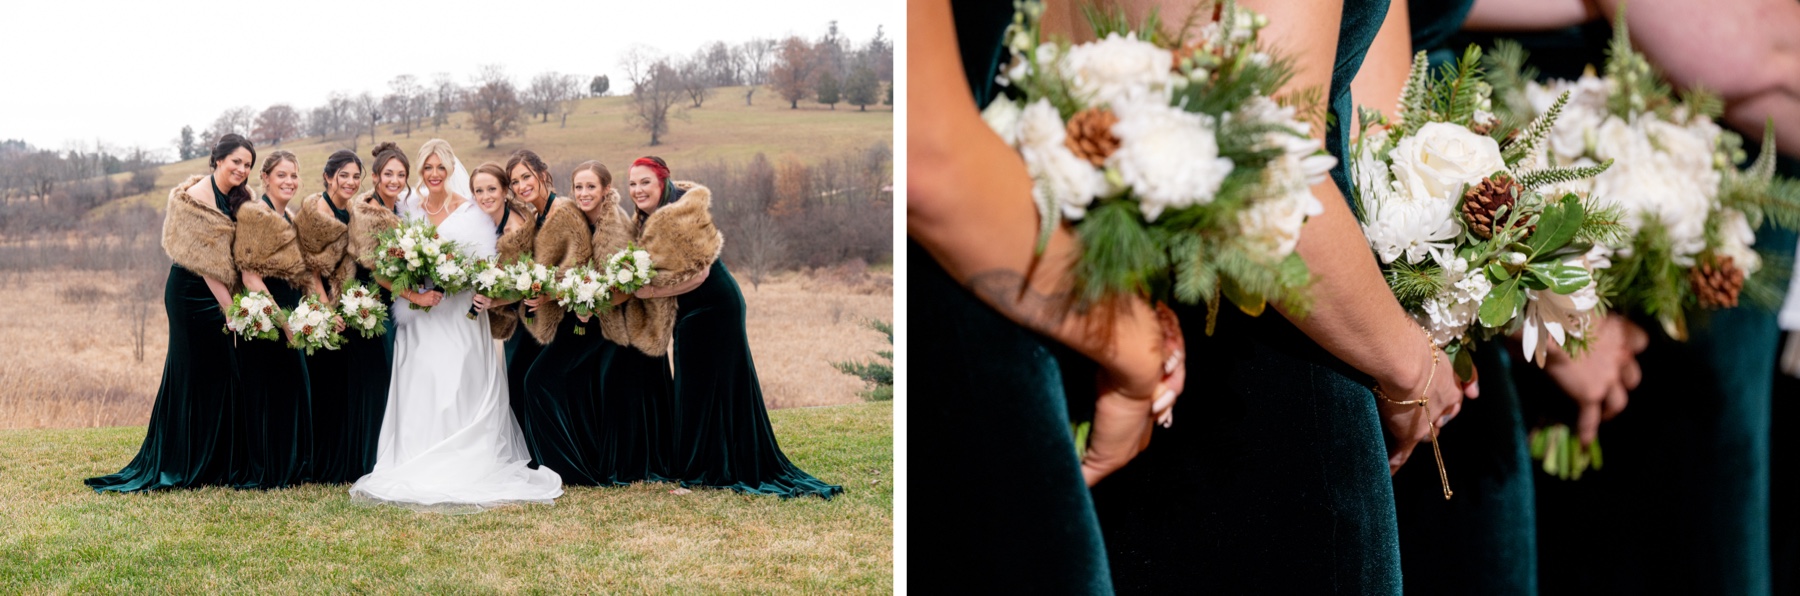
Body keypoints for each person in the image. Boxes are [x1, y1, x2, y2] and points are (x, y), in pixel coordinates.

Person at [348, 139, 562, 511]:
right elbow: (390, 255)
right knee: (423, 379)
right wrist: (416, 287)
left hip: (460, 315)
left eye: (440, 168)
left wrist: (456, 279)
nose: (434, 174)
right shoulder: (408, 209)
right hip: (420, 317)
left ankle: (468, 455)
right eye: (427, 168)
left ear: (450, 170)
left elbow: (484, 266)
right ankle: (416, 453)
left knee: (458, 379)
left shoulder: (469, 211)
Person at [622, 156, 839, 499]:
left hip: (712, 306)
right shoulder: (650, 215)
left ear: (663, 181)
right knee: (704, 389)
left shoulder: (681, 212)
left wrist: (648, 291)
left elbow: (699, 273)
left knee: (698, 389)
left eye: (645, 182)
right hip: (691, 308)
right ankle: (709, 465)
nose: (637, 190)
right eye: (632, 183)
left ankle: (700, 475)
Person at [85, 134, 256, 493]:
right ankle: (181, 460)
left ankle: (215, 461)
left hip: (223, 290)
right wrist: (230, 310)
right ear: (218, 160)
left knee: (223, 374)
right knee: (194, 373)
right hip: (192, 293)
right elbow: (206, 263)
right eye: (236, 162)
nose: (242, 169)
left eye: (248, 165)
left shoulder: (241, 198)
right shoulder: (196, 198)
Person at [516, 161, 671, 485]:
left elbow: (624, 288)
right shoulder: (571, 219)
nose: (584, 193)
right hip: (585, 319)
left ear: (605, 190)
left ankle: (571, 469)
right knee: (542, 381)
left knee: (542, 380)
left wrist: (588, 301)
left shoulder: (615, 225)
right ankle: (565, 463)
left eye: (591, 187)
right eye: (579, 187)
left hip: (617, 326)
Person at [294, 149, 391, 483]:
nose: (350, 182)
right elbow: (309, 268)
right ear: (328, 176)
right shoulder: (313, 211)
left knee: (355, 385)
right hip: (323, 308)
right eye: (344, 175)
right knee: (328, 388)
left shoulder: (356, 209)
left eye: (355, 176)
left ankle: (354, 461)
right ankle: (323, 465)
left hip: (353, 303)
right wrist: (325, 309)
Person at [231, 149, 323, 488]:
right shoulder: (255, 214)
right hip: (269, 317)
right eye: (282, 174)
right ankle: (270, 469)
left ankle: (294, 466)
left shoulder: (291, 217)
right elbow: (250, 274)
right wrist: (284, 323)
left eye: (294, 175)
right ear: (265, 178)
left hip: (293, 313)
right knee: (272, 393)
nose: (289, 181)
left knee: (294, 391)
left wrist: (312, 311)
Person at [502, 149, 560, 447]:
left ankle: (544, 452)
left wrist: (549, 295)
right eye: (515, 181)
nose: (522, 185)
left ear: (542, 173)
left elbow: (578, 264)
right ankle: (525, 451)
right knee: (511, 373)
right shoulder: (533, 217)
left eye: (526, 176)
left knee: (531, 380)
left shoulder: (562, 210)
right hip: (531, 314)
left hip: (563, 317)